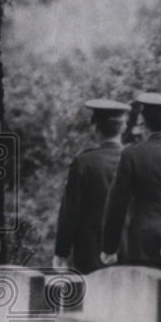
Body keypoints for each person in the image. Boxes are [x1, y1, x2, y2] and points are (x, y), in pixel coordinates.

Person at [101, 91, 161, 281]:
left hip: (141, 238)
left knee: (142, 296)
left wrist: (109, 247)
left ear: (144, 121)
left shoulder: (132, 154)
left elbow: (117, 203)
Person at [52, 98, 130, 274]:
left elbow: (70, 212)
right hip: (130, 253)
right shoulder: (137, 160)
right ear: (124, 127)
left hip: (91, 254)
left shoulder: (84, 162)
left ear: (95, 127)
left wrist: (61, 252)